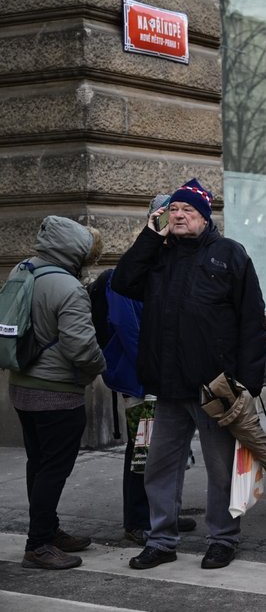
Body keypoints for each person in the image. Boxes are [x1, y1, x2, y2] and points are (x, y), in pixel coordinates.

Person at [113, 179, 266, 571]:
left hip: (212, 386)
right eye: (174, 211)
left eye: (188, 211)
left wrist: (247, 382)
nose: (179, 216)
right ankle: (161, 539)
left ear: (205, 218)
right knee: (158, 466)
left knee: (219, 468)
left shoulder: (229, 255)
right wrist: (150, 236)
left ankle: (223, 538)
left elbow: (251, 320)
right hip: (164, 384)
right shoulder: (158, 255)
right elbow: (123, 281)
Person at [88, 195, 197, 545]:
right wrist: (157, 368)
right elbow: (128, 327)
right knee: (143, 450)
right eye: (169, 215)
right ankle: (138, 519)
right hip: (144, 380)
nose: (176, 221)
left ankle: (164, 511)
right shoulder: (136, 264)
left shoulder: (169, 260)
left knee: (166, 450)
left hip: (163, 376)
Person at [9, 216, 105, 570]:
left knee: (39, 463)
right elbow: (81, 347)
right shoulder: (67, 287)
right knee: (54, 469)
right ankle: (38, 545)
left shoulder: (22, 270)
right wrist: (99, 366)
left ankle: (47, 529)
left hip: (22, 387)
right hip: (57, 393)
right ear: (75, 250)